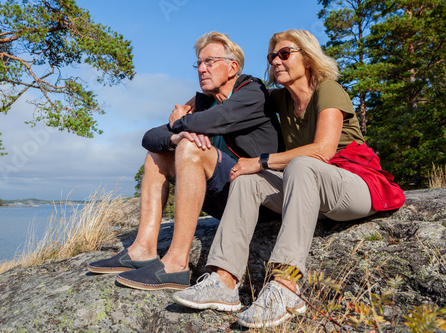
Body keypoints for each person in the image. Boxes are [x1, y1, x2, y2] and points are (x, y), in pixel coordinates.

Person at [172, 29, 405, 328]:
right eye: (272, 57)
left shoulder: (328, 89)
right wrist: (182, 115)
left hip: (355, 183)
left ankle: (286, 286)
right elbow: (228, 93)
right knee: (246, 179)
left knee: (296, 164)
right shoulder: (279, 99)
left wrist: (262, 161)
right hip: (309, 189)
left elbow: (323, 150)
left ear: (307, 58)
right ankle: (224, 281)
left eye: (285, 54)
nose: (276, 61)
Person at [87, 31, 283, 291]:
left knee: (189, 146)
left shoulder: (252, 91)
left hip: (258, 199)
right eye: (199, 63)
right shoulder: (204, 102)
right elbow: (150, 137)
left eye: (210, 62)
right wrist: (175, 134)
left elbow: (217, 120)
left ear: (232, 67)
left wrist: (177, 124)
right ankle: (142, 249)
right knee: (158, 152)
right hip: (226, 196)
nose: (202, 69)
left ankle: (177, 264)